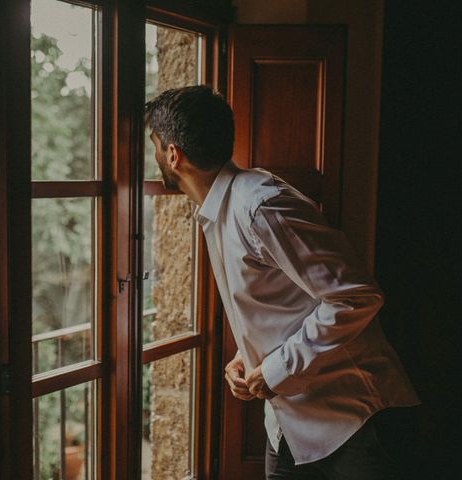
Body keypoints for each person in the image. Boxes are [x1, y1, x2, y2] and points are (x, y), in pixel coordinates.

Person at [144, 85, 420, 480]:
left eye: (155, 146)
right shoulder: (219, 213)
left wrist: (275, 368)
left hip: (355, 421)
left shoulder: (261, 206)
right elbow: (286, 302)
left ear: (173, 154)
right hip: (289, 428)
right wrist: (249, 356)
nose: (156, 158)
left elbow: (356, 297)